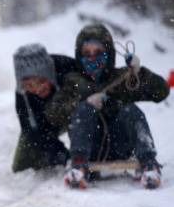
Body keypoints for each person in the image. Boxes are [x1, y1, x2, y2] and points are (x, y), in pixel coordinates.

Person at [44, 24, 169, 189]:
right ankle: (79, 166)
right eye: (86, 53)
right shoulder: (72, 81)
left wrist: (140, 74)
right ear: (79, 55)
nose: (92, 57)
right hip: (89, 146)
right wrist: (83, 103)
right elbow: (53, 113)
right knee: (83, 110)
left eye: (98, 52)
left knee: (130, 110)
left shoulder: (122, 77)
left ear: (108, 53)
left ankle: (149, 163)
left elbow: (161, 92)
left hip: (120, 144)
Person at [12, 43, 77, 172]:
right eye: (29, 85)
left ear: (50, 75)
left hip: (75, 112)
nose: (37, 89)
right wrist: (58, 153)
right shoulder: (23, 96)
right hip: (45, 121)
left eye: (41, 81)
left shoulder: (69, 68)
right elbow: (31, 129)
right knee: (21, 165)